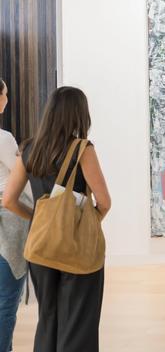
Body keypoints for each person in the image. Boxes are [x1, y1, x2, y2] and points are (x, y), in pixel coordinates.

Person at [2, 86, 111, 352]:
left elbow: (9, 200)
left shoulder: (29, 149)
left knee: (48, 319)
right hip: (76, 248)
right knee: (78, 322)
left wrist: (39, 218)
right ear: (80, 114)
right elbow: (104, 201)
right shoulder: (82, 149)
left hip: (40, 247)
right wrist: (85, 224)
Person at [0, 79, 32, 352]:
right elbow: (21, 178)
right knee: (6, 299)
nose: (7, 99)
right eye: (6, 94)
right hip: (7, 223)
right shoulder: (3, 138)